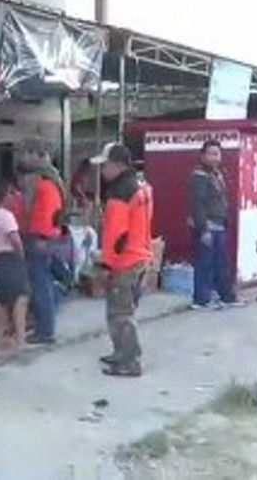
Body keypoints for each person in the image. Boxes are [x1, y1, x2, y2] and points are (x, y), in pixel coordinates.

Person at [91, 143, 153, 377]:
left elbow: (115, 235)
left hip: (125, 261)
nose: (102, 170)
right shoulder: (143, 186)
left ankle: (128, 361)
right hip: (141, 256)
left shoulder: (119, 193)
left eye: (105, 165)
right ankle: (121, 352)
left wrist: (106, 265)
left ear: (118, 165)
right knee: (127, 310)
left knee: (119, 314)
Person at [187, 140, 247, 310]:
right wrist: (203, 229)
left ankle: (226, 297)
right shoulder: (199, 176)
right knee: (205, 263)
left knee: (222, 263)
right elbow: (197, 204)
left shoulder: (217, 174)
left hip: (220, 225)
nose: (215, 157)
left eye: (218, 153)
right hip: (206, 226)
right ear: (203, 155)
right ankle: (201, 300)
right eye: (211, 153)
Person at [20, 138, 66, 345]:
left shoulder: (46, 184)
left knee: (41, 285)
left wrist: (41, 237)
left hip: (40, 238)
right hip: (45, 237)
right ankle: (42, 324)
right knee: (43, 283)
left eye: (30, 152)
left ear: (42, 157)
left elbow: (47, 214)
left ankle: (45, 331)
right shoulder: (50, 180)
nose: (25, 157)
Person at [0, 182, 30, 352]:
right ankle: (20, 337)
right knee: (20, 298)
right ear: (5, 197)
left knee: (3, 300)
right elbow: (14, 239)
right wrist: (22, 255)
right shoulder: (6, 216)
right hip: (9, 256)